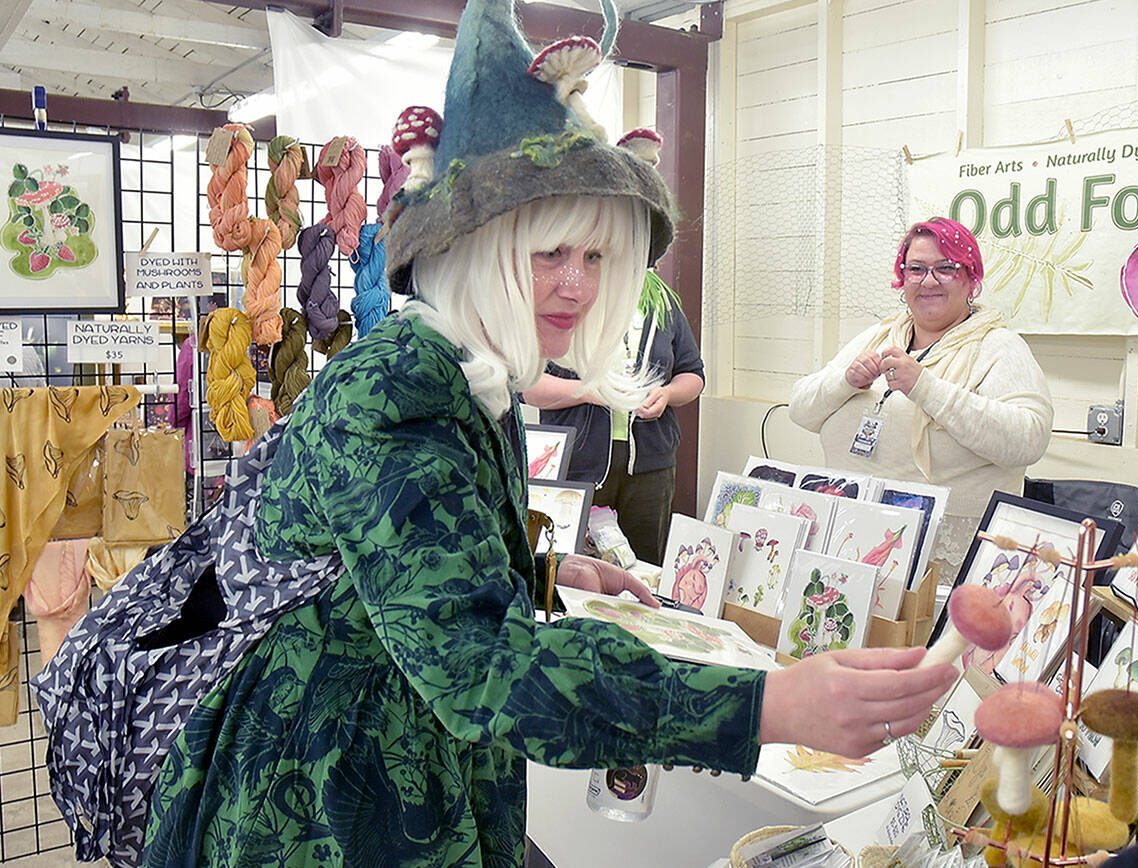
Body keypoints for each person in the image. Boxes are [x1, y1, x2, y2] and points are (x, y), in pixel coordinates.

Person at [141, 2, 958, 866]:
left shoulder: (462, 372)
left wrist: (542, 569)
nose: (576, 284)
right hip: (331, 799)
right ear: (476, 250)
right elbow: (478, 667)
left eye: (597, 256)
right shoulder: (394, 393)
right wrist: (764, 707)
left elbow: (396, 567)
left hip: (400, 764)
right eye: (547, 252)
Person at [788, 218, 1053, 583]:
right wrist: (845, 381)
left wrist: (925, 388)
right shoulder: (879, 336)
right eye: (917, 269)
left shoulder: (999, 347)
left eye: (946, 268)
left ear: (970, 278)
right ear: (903, 277)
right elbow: (801, 410)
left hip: (945, 566)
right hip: (851, 544)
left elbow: (1029, 438)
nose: (929, 281)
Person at [522, 269, 702, 564]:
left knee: (644, 567)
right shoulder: (564, 298)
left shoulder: (660, 302)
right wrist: (592, 392)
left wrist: (667, 394)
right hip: (577, 465)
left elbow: (693, 374)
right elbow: (527, 385)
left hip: (650, 466)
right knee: (573, 567)